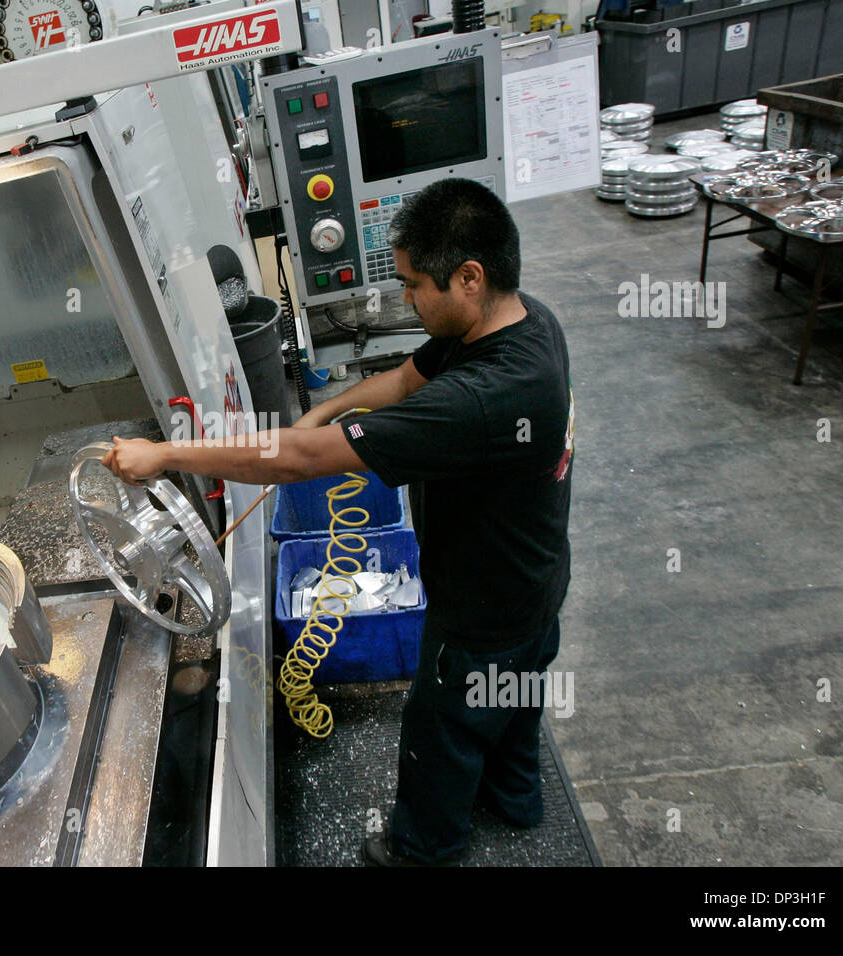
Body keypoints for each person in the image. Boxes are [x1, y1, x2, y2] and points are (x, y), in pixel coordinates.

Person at [102, 177, 574, 867]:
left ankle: (421, 851)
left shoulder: (483, 398)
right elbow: (409, 378)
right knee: (513, 707)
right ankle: (516, 797)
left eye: (415, 286)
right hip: (535, 586)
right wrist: (327, 409)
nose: (406, 301)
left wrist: (165, 452)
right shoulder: (525, 321)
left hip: (477, 618)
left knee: (442, 733)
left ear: (468, 277)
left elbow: (296, 462)